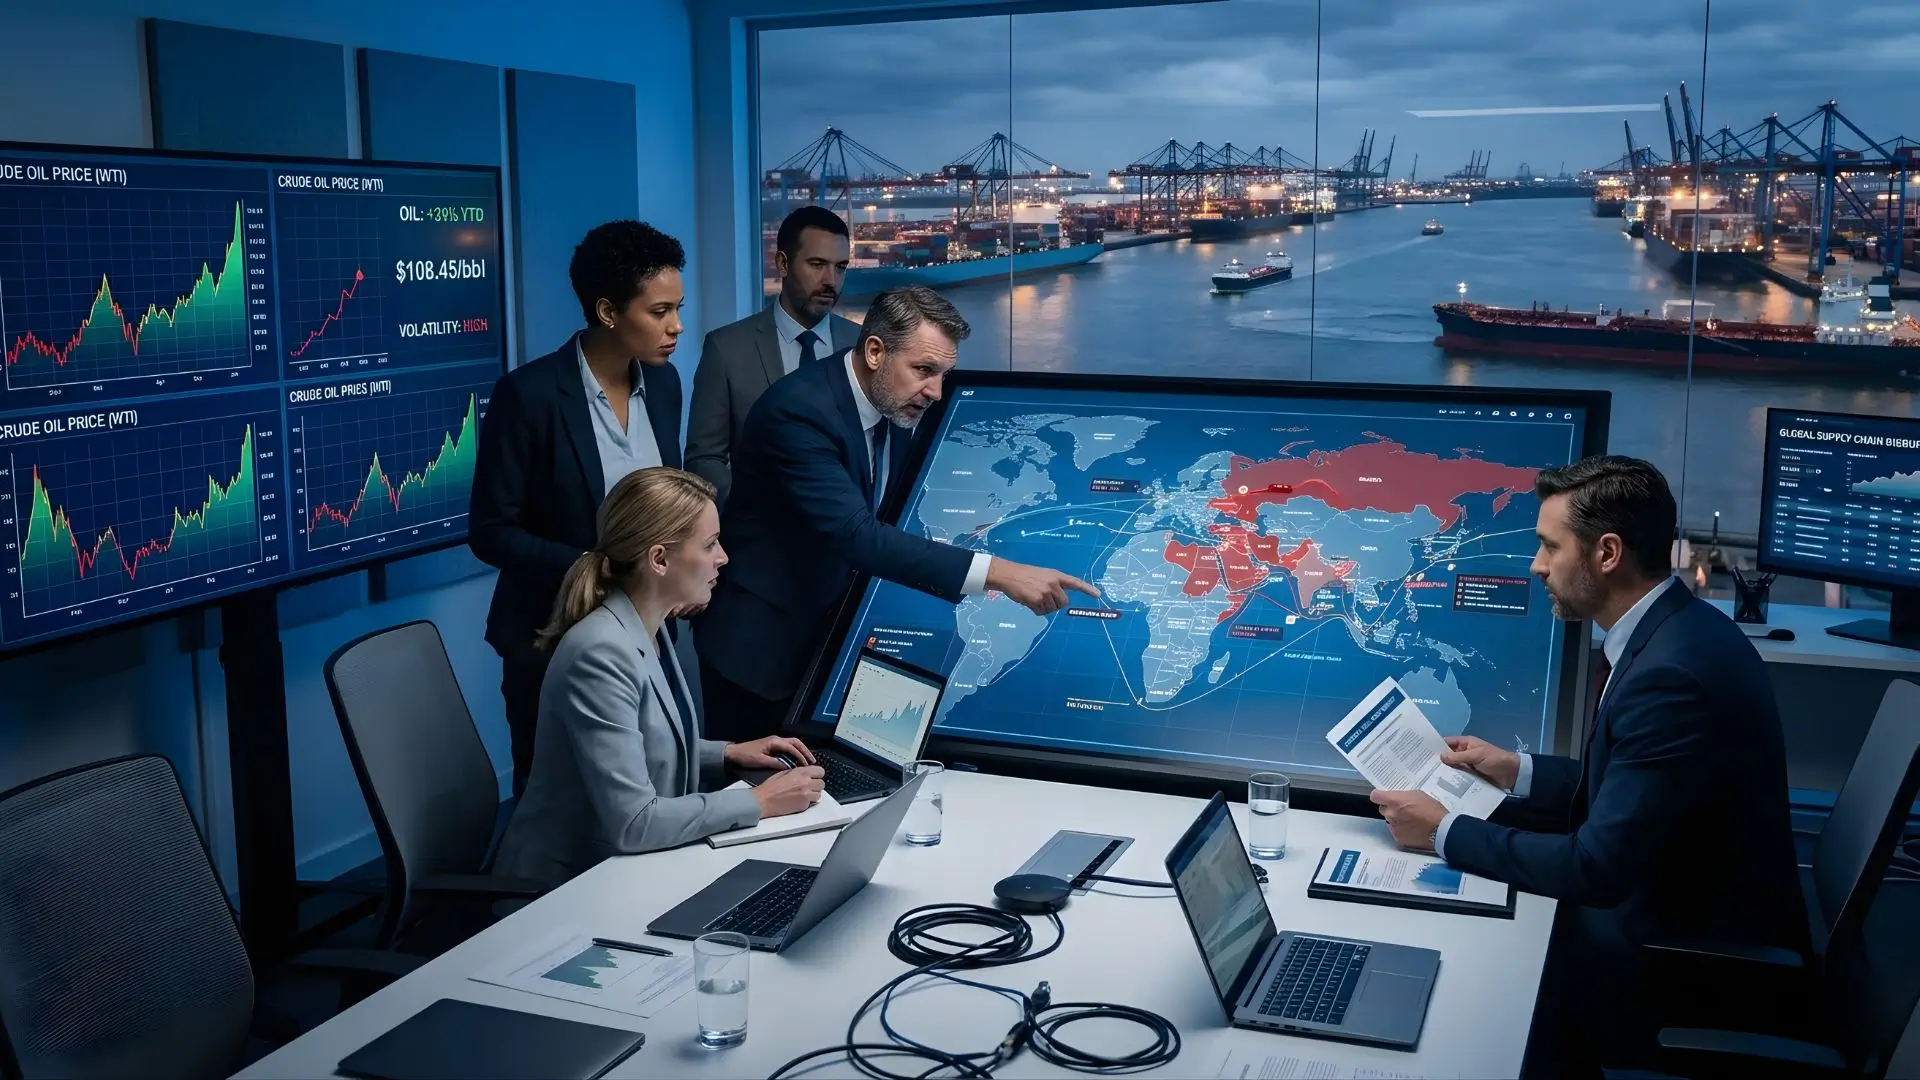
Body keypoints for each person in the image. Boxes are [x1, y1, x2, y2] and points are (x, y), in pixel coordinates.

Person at [1367, 454, 1808, 1076]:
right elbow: (1637, 789)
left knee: (1467, 1003)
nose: (1536, 565)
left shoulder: (1670, 677)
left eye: (1549, 547)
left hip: (1681, 961)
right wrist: (1514, 769)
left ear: (1606, 553)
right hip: (1683, 907)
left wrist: (1443, 832)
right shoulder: (1676, 633)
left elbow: (1597, 868)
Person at [692, 286, 1099, 742]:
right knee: (765, 800)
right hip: (762, 652)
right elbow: (857, 535)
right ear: (874, 351)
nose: (936, 392)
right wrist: (1002, 573)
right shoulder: (798, 413)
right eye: (924, 370)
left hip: (832, 642)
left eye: (945, 373)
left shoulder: (892, 400)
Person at [490, 468, 825, 888]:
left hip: (628, 869)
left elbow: (635, 742)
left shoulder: (651, 624)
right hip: (567, 887)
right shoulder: (601, 652)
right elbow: (635, 822)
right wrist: (757, 801)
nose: (723, 557)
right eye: (709, 545)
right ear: (659, 559)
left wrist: (726, 753)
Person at [470, 220, 692, 798]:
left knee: (651, 792)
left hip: (650, 637)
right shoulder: (530, 395)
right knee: (556, 809)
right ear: (608, 311)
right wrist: (602, 570)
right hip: (550, 638)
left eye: (678, 308)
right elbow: (491, 532)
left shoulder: (665, 387)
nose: (677, 326)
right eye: (660, 311)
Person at [685, 206, 857, 506]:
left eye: (840, 267)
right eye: (817, 264)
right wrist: (755, 512)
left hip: (850, 538)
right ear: (782, 264)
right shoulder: (726, 349)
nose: (831, 280)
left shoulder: (863, 345)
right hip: (758, 539)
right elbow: (704, 460)